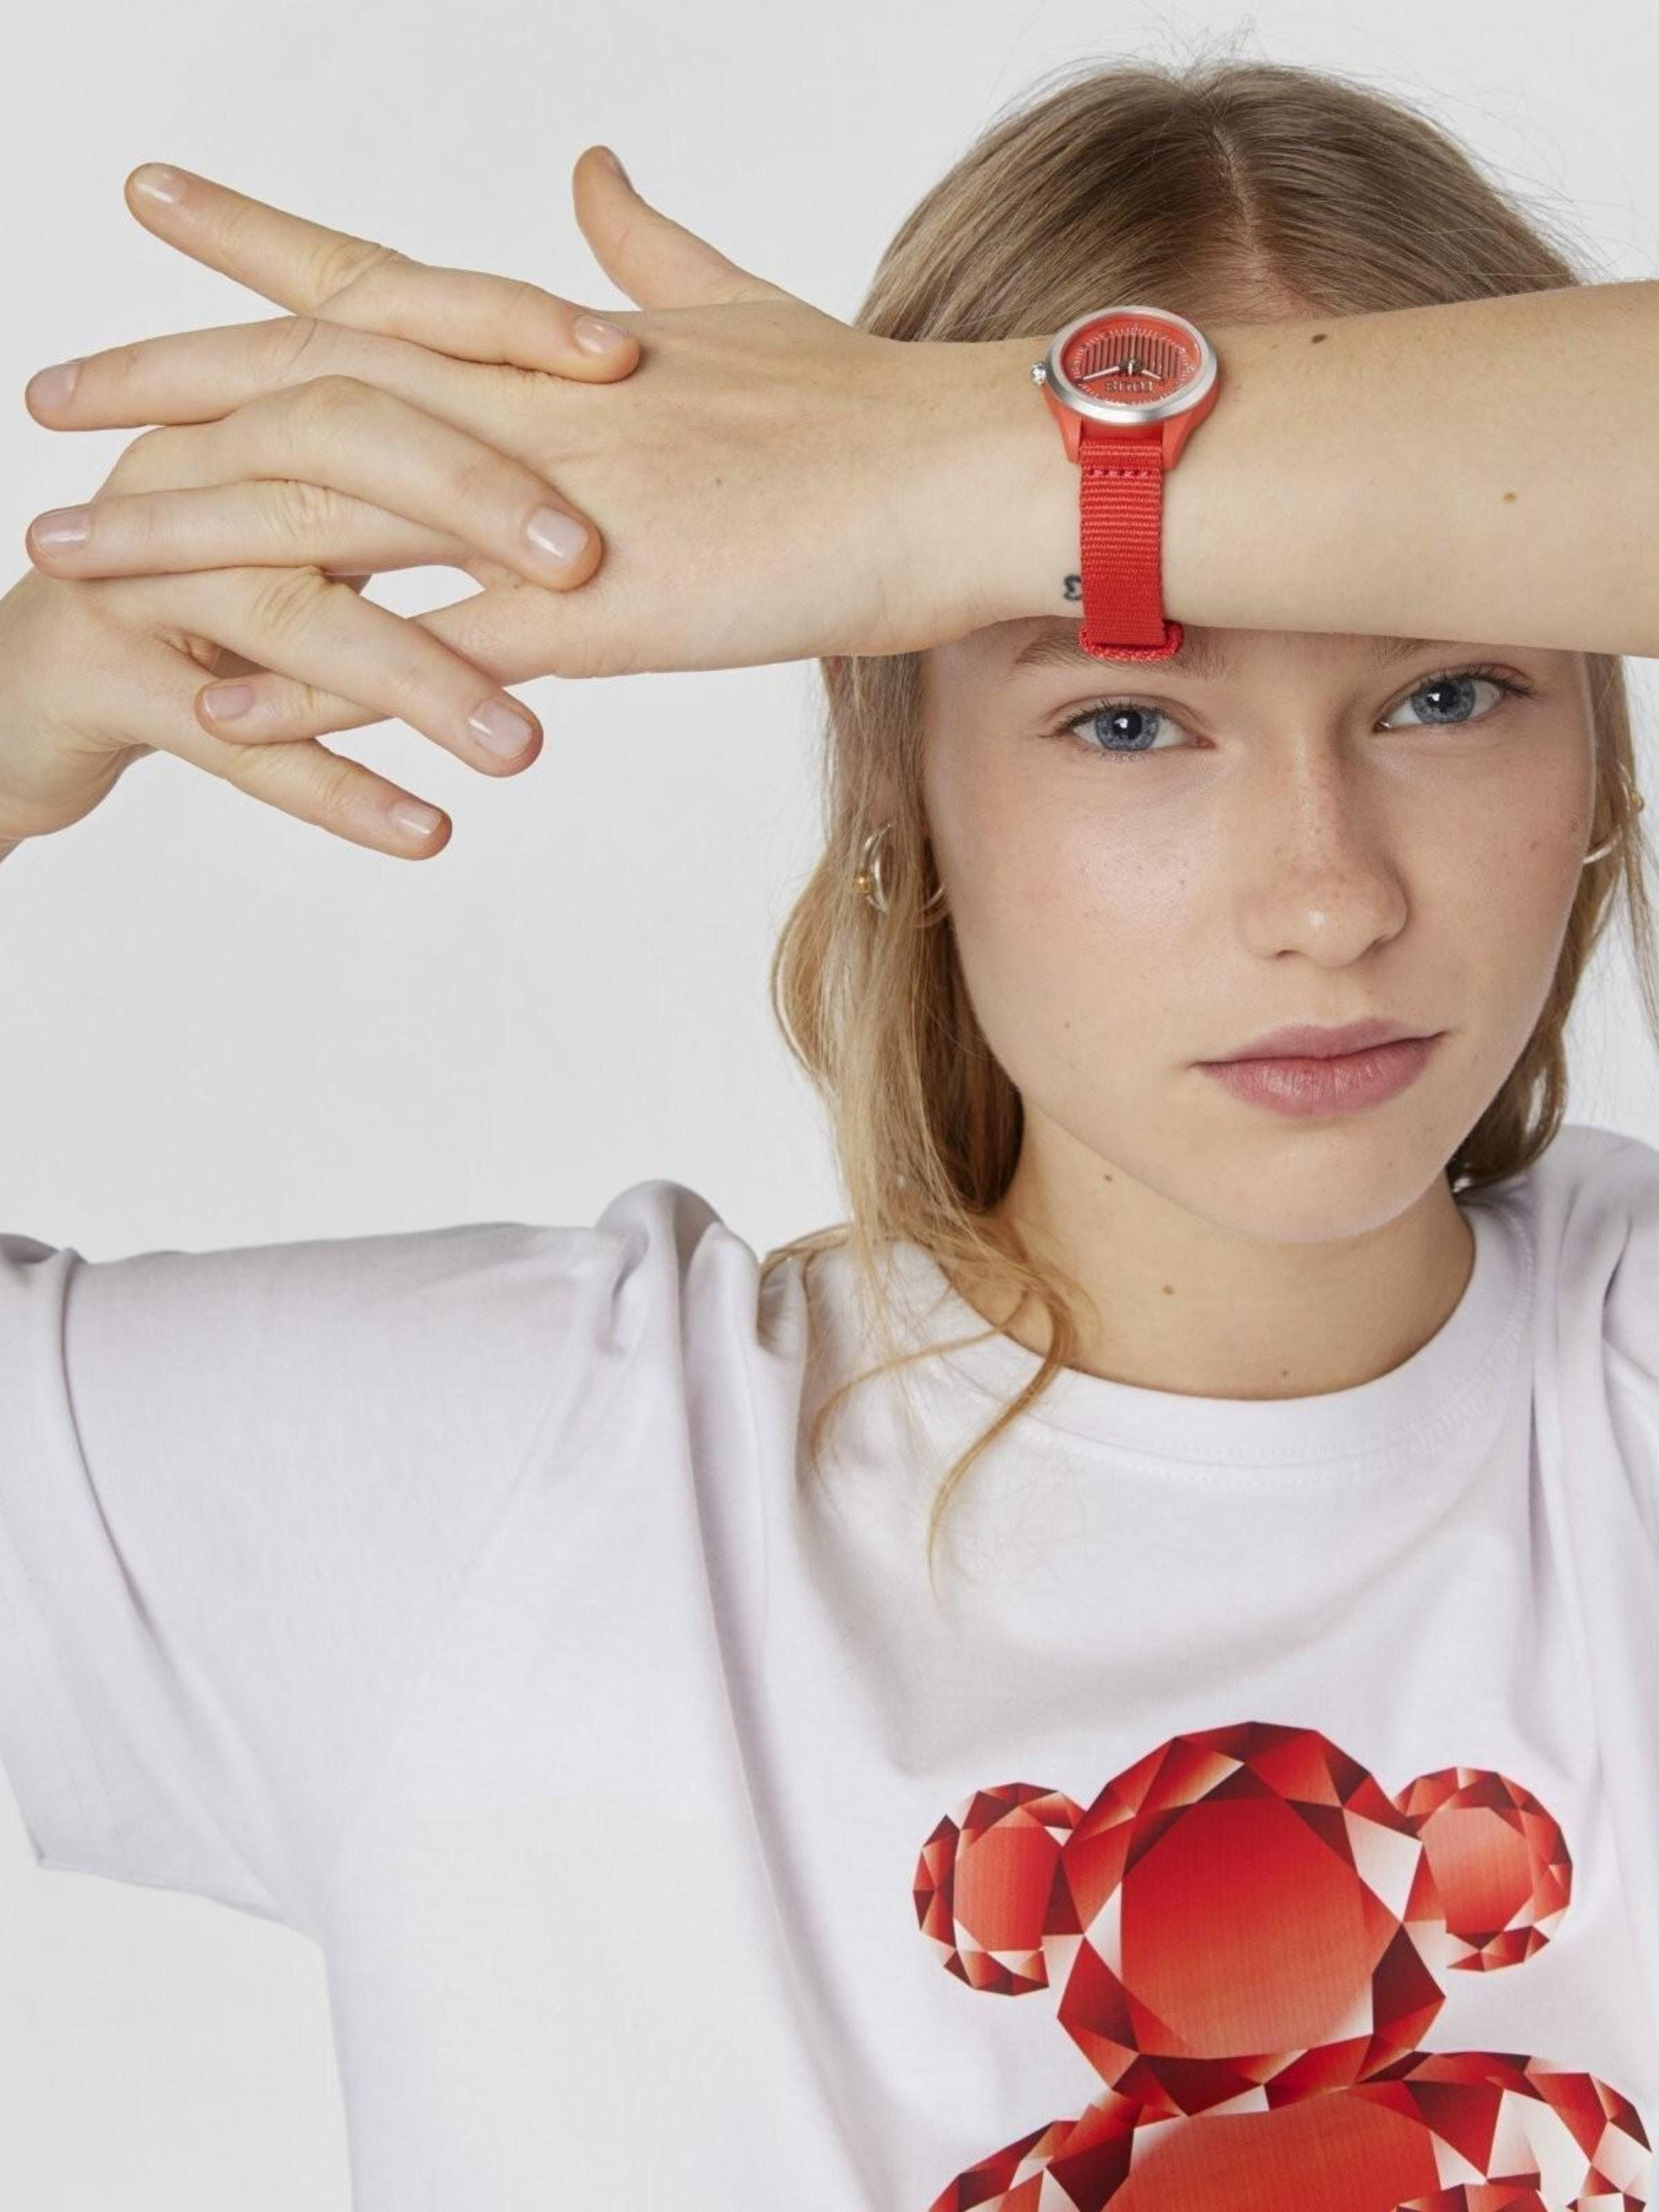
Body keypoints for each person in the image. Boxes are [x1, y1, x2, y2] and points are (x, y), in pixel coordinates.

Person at [2, 48, 1658, 2212]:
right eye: (1126, 714)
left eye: (1448, 693)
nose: (1328, 895)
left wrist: (970, 465)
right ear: (904, 780)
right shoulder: (510, 1494)